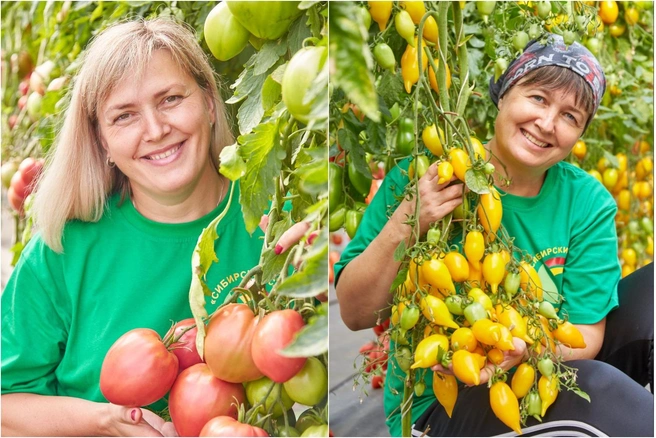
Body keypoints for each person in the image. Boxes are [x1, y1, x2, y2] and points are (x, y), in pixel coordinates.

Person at [335, 34, 653, 437]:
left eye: (571, 117)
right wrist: (411, 219)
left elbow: (587, 335)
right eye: (538, 98)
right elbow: (354, 312)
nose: (548, 123)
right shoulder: (425, 180)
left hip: (540, 367)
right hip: (442, 405)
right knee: (602, 394)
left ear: (580, 135)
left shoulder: (587, 202)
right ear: (503, 94)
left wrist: (524, 348)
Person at [1, 19, 266, 436]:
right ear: (102, 142)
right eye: (124, 116)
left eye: (171, 98)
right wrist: (104, 421)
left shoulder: (278, 221)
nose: (156, 130)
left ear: (210, 103)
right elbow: (6, 403)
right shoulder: (64, 249)